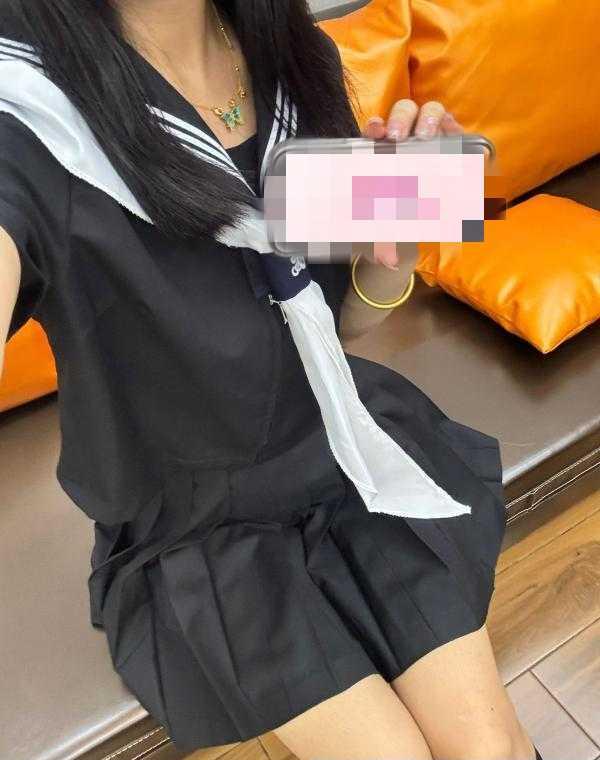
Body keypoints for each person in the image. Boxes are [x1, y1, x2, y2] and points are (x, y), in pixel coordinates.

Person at [0, 1, 543, 758]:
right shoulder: (29, 109)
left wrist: (398, 251)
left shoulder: (290, 56)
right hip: (199, 526)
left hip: (345, 454)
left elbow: (339, 321)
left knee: (491, 749)